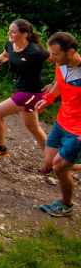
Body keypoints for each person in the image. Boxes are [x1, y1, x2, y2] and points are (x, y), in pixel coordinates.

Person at [0, 19, 54, 172]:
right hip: (20, 89)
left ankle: (0, 148)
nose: (9, 34)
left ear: (25, 34)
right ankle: (53, 162)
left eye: (13, 32)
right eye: (9, 30)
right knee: (33, 127)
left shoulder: (36, 51)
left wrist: (54, 83)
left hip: (32, 93)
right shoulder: (10, 44)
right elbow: (5, 55)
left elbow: (61, 62)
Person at [36, 32, 81, 216]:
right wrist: (49, 98)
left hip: (78, 130)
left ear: (70, 52)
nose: (51, 57)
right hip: (62, 121)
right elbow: (59, 82)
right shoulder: (61, 65)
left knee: (59, 167)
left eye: (55, 54)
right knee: (50, 161)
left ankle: (66, 205)